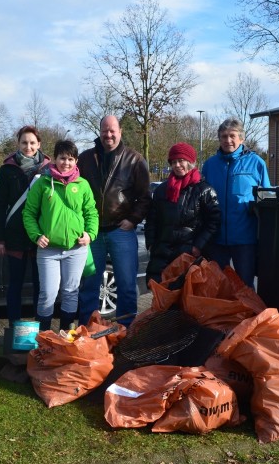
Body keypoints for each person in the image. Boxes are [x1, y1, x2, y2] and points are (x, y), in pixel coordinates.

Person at [77, 115, 151, 327]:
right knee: (90, 284)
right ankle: (87, 331)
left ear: (120, 132)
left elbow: (145, 197)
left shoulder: (135, 160)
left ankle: (125, 332)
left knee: (127, 285)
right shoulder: (85, 159)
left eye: (112, 131)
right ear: (99, 131)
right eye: (104, 130)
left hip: (121, 231)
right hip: (92, 232)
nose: (108, 135)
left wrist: (133, 219)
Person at [23, 140, 98, 331]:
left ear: (76, 161)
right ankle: (44, 336)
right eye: (62, 158)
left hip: (76, 249)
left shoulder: (83, 185)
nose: (66, 162)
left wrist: (90, 234)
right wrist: (36, 235)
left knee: (70, 293)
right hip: (48, 250)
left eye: (70, 159)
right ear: (55, 159)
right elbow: (29, 213)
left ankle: (66, 334)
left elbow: (91, 213)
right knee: (48, 293)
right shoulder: (42, 183)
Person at [201, 117, 271, 288]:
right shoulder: (210, 165)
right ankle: (223, 315)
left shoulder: (256, 163)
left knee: (245, 285)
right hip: (216, 239)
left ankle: (247, 315)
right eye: (224, 136)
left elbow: (267, 198)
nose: (228, 140)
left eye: (232, 135)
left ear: (242, 138)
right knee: (219, 285)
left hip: (245, 238)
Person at [0, 125, 50, 326]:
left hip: (40, 237)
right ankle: (15, 329)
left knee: (40, 286)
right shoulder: (7, 169)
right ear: (18, 143)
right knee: (14, 285)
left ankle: (41, 331)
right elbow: (0, 205)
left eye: (32, 143)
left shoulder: (48, 169)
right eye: (24, 142)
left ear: (39, 144)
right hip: (14, 236)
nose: (28, 146)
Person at [144, 142, 220, 284]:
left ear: (190, 162)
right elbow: (152, 219)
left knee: (187, 300)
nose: (177, 165)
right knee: (162, 299)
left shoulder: (205, 190)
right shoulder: (162, 190)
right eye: (173, 162)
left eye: (181, 160)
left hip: (190, 256)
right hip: (162, 255)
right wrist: (151, 244)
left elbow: (213, 222)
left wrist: (198, 246)